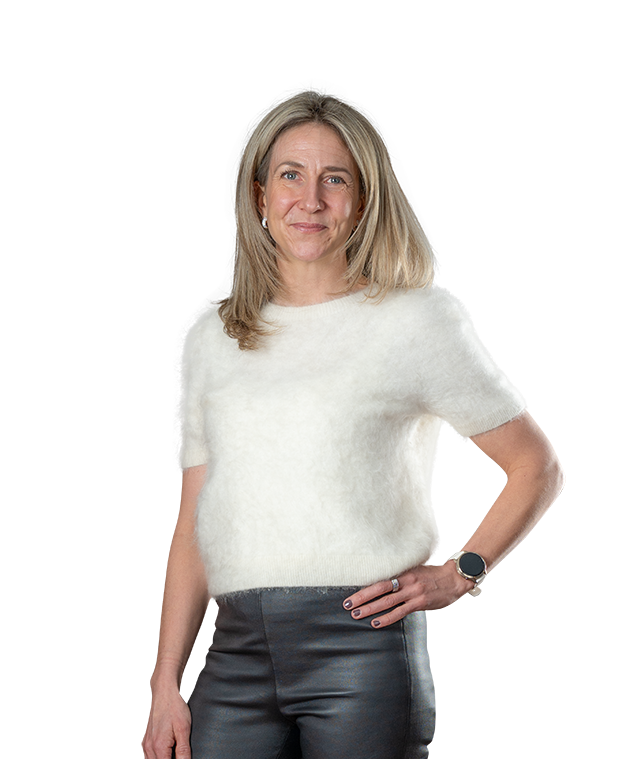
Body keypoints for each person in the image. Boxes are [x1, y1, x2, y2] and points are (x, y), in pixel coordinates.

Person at [141, 90, 566, 759]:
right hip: (235, 654)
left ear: (364, 200)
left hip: (361, 649)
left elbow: (534, 464)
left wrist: (462, 571)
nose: (310, 200)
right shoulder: (212, 338)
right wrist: (165, 681)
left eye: (334, 179)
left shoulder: (414, 323)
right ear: (259, 195)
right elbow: (194, 520)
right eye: (291, 175)